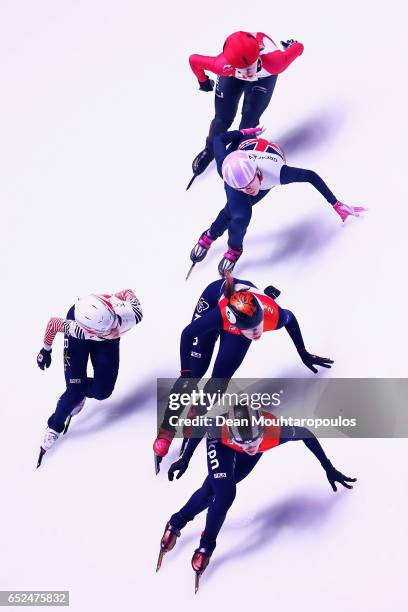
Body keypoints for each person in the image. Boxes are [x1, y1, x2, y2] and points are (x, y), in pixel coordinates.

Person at [156, 402, 357, 592]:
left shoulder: (275, 431)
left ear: (262, 429)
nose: (251, 447)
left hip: (240, 448)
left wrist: (328, 468)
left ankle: (175, 522)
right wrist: (185, 460)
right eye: (246, 443)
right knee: (225, 494)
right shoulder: (220, 427)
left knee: (210, 491)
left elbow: (307, 434)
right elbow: (201, 427)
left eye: (255, 440)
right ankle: (206, 546)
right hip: (222, 445)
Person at [153, 273, 333, 472]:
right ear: (235, 324)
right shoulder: (220, 315)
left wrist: (303, 353)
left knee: (219, 381)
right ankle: (166, 432)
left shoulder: (272, 313)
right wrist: (186, 371)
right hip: (214, 300)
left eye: (258, 326)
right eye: (250, 329)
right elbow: (188, 334)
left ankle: (195, 416)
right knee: (193, 375)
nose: (257, 333)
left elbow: (290, 320)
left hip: (239, 325)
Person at [190, 127, 367, 275]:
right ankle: (221, 241)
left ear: (258, 173)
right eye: (241, 188)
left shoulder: (276, 173)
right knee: (239, 212)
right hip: (242, 155)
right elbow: (219, 139)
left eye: (249, 187)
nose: (247, 191)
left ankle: (218, 240)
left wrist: (335, 203)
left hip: (267, 165)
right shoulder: (225, 168)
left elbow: (310, 176)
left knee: (238, 212)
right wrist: (244, 132)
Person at [36, 289, 142, 466]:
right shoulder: (76, 328)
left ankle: (81, 391)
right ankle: (54, 426)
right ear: (90, 331)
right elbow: (53, 324)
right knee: (74, 393)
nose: (116, 331)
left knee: (103, 391)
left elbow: (128, 292)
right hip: (81, 337)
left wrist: (113, 299)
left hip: (104, 334)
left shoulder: (132, 314)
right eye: (108, 331)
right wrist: (45, 351)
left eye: (115, 324)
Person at [187, 31, 304, 187]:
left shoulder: (276, 61)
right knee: (222, 118)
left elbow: (299, 47)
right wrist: (203, 81)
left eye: (252, 67)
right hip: (231, 74)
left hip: (265, 75)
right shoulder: (221, 65)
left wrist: (292, 45)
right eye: (242, 70)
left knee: (249, 121)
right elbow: (193, 60)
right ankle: (209, 150)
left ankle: (241, 154)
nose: (248, 74)